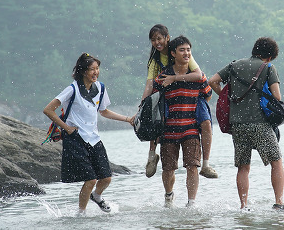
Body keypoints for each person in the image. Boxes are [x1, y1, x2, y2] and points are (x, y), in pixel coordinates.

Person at [43, 53, 133, 215]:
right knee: (90, 179)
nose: (95, 72)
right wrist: (67, 128)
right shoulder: (72, 89)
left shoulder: (100, 88)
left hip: (94, 138)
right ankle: (81, 214)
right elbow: (48, 109)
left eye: (97, 68)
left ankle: (96, 196)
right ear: (83, 71)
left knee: (106, 178)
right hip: (76, 139)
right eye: (92, 69)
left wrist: (127, 119)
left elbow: (104, 112)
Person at [208, 37, 284, 210]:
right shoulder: (268, 67)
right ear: (270, 56)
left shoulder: (234, 65)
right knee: (276, 162)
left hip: (237, 125)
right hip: (260, 123)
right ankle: (279, 202)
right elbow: (277, 96)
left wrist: (225, 96)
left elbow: (212, 81)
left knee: (243, 167)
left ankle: (243, 206)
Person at [138, 24, 217, 179]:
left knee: (206, 122)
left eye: (159, 38)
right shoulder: (155, 60)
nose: (157, 42)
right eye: (153, 40)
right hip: (169, 95)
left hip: (192, 92)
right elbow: (149, 84)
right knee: (156, 120)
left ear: (167, 38)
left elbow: (198, 75)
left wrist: (174, 78)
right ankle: (151, 156)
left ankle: (206, 164)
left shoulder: (182, 49)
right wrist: (143, 105)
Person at [153, 35, 212, 207]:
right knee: (168, 169)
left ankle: (191, 203)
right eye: (182, 50)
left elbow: (207, 95)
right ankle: (169, 195)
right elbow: (155, 101)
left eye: (188, 50)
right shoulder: (163, 77)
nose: (186, 53)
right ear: (173, 53)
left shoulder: (199, 77)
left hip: (191, 129)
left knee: (192, 166)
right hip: (169, 130)